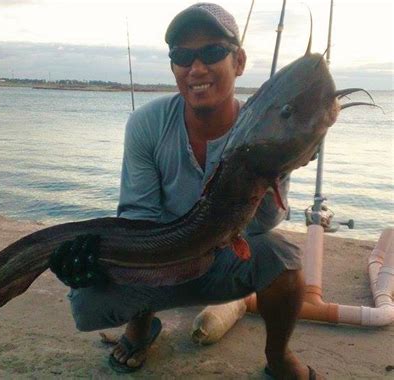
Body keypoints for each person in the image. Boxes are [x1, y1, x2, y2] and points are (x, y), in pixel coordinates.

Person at [50, 3, 320, 379]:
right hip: (161, 258)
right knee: (87, 300)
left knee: (282, 256)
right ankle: (141, 326)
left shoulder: (263, 129)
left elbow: (262, 225)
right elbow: (139, 218)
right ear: (174, 65)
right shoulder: (146, 124)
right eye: (182, 56)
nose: (196, 68)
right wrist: (97, 255)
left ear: (238, 61)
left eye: (212, 52)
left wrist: (282, 166)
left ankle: (278, 355)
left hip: (226, 256)